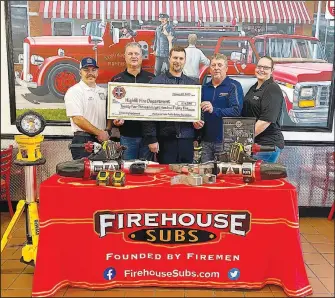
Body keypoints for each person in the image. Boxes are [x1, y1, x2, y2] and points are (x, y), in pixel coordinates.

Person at [143, 46, 202, 164]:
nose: (178, 61)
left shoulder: (193, 85)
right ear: (169, 59)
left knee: (187, 174)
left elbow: (199, 109)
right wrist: (152, 139)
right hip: (165, 140)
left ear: (185, 61)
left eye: (181, 58)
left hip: (187, 139)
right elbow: (147, 113)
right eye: (175, 57)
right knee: (166, 176)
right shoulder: (156, 82)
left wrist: (199, 123)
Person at [195, 53, 244, 162]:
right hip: (206, 142)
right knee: (205, 175)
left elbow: (236, 111)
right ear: (209, 69)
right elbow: (198, 111)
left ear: (226, 68)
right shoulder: (204, 88)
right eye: (213, 65)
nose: (216, 68)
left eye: (220, 65)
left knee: (224, 176)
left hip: (226, 142)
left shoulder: (234, 86)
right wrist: (196, 121)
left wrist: (214, 110)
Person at [111, 42, 155, 160]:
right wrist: (115, 120)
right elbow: (112, 107)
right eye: (130, 53)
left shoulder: (152, 79)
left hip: (149, 137)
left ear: (142, 56)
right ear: (125, 57)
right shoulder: (117, 80)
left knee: (147, 172)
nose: (133, 56)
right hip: (127, 135)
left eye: (136, 53)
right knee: (127, 170)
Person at [64, 57, 111, 160]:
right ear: (80, 72)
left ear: (97, 72)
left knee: (101, 174)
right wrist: (99, 133)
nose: (90, 73)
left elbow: (109, 114)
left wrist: (106, 130)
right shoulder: (74, 91)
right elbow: (77, 119)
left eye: (93, 70)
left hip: (102, 140)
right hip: (83, 141)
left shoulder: (103, 91)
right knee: (85, 174)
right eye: (86, 70)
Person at [242, 56, 284, 162]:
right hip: (255, 144)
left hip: (267, 146)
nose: (261, 70)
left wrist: (245, 140)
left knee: (258, 178)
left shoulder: (272, 89)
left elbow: (265, 121)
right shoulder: (254, 88)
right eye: (259, 66)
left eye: (265, 68)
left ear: (272, 71)